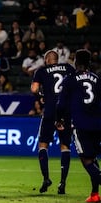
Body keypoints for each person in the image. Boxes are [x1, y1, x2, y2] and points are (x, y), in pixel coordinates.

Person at [55, 49, 101, 202]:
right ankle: (95, 194)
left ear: (76, 62)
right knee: (93, 159)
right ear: (89, 63)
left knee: (86, 161)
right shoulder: (96, 78)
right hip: (98, 124)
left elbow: (61, 104)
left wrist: (58, 119)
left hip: (81, 124)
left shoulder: (70, 79)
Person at [31, 50, 75, 194]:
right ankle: (63, 183)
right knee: (65, 146)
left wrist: (42, 96)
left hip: (50, 110)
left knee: (43, 144)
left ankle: (46, 178)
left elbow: (34, 89)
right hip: (66, 111)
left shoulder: (42, 70)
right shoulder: (68, 68)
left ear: (47, 60)